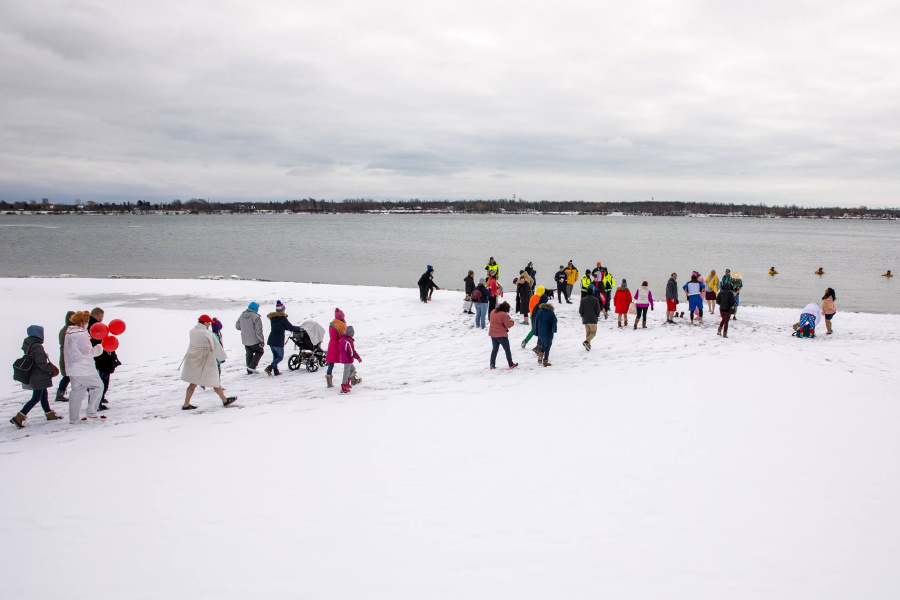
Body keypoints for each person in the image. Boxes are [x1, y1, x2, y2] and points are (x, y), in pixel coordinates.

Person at [9, 325, 63, 428]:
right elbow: (40, 363)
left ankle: (49, 413)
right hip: (39, 375)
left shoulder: (29, 343)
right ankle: (19, 417)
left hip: (35, 375)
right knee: (36, 398)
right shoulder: (37, 346)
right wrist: (50, 370)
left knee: (43, 395)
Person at [181, 315, 235, 410]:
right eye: (208, 322)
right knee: (214, 381)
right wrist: (221, 357)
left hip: (194, 359)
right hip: (206, 360)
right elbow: (216, 346)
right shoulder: (207, 333)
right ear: (204, 322)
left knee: (193, 383)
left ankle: (186, 404)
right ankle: (225, 400)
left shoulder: (192, 331)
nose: (210, 324)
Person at [64, 311, 106, 423]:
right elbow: (87, 352)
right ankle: (92, 411)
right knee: (98, 386)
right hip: (84, 368)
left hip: (72, 367)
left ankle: (74, 418)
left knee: (77, 391)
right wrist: (98, 349)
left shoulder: (69, 333)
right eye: (86, 321)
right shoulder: (81, 335)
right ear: (82, 322)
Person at [264, 300, 302, 377]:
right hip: (278, 341)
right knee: (280, 357)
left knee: (275, 357)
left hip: (271, 340)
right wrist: (299, 329)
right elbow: (290, 327)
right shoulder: (282, 319)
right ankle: (270, 368)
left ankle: (276, 371)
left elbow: (280, 326)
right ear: (282, 310)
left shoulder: (273, 318)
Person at [236, 301, 265, 374]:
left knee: (249, 354)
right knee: (260, 351)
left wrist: (245, 329)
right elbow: (259, 331)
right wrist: (261, 340)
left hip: (245, 340)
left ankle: (249, 370)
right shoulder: (256, 317)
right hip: (255, 340)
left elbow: (237, 326)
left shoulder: (242, 315)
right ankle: (252, 367)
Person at [488, 301, 518, 370]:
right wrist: (512, 321)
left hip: (493, 334)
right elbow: (508, 325)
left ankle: (492, 365)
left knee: (494, 350)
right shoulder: (504, 315)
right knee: (507, 350)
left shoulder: (493, 311)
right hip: (502, 335)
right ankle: (511, 364)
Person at [55, 310, 74, 402]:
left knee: (70, 376)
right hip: (67, 357)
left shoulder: (67, 329)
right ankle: (60, 394)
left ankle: (60, 393)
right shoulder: (67, 330)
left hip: (68, 356)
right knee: (68, 376)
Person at [325, 308, 347, 387]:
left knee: (331, 363)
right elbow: (344, 335)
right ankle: (352, 377)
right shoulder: (340, 325)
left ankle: (329, 382)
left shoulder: (332, 324)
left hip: (331, 344)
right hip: (339, 345)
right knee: (347, 361)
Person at [337, 325, 362, 393]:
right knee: (346, 371)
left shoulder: (342, 339)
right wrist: (358, 357)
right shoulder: (349, 340)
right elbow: (352, 351)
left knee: (352, 369)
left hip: (343, 357)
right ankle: (343, 385)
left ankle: (347, 382)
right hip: (347, 358)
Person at [534, 298, 557, 367]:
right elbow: (554, 322)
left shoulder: (540, 311)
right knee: (547, 346)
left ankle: (540, 355)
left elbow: (536, 321)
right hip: (548, 332)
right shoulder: (551, 313)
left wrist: (536, 331)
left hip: (540, 331)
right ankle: (545, 360)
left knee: (543, 343)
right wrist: (554, 330)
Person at [579, 284, 601, 350]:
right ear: (593, 292)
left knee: (588, 333)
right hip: (593, 319)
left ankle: (588, 346)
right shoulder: (596, 300)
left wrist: (582, 315)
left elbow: (580, 310)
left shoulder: (582, 300)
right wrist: (597, 315)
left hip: (585, 319)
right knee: (593, 333)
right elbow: (598, 310)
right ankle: (586, 342)